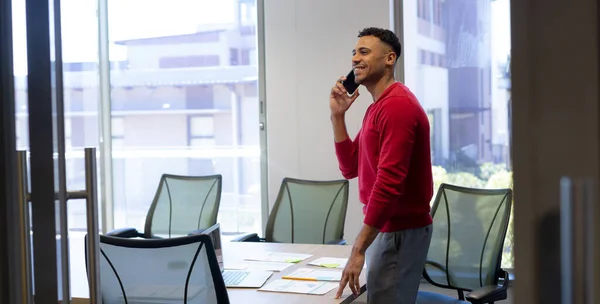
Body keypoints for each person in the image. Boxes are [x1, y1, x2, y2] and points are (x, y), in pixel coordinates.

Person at [331, 27, 434, 303]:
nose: (355, 59)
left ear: (389, 59)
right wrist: (337, 116)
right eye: (354, 53)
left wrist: (358, 247)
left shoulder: (397, 107)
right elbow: (350, 167)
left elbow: (389, 183)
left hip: (398, 229)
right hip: (386, 228)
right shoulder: (377, 107)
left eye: (364, 52)